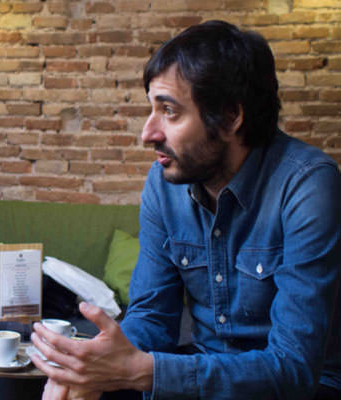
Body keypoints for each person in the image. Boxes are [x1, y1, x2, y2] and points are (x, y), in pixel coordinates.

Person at [30, 20, 341, 400]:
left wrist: (146, 373)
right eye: (151, 108)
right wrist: (93, 362)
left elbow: (294, 368)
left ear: (229, 117)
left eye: (169, 111)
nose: (148, 134)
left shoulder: (308, 186)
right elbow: (152, 316)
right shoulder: (164, 182)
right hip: (203, 368)